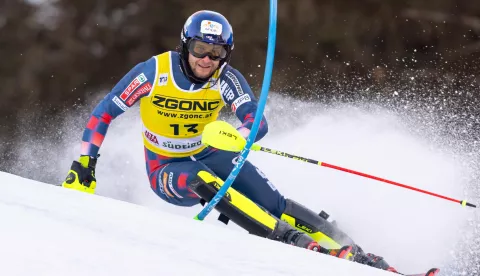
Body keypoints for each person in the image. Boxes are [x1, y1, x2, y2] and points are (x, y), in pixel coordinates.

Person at [62, 10, 397, 272]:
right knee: (201, 181)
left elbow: (255, 119)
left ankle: (361, 256)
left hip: (212, 152)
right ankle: (298, 244)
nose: (207, 59)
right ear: (185, 45)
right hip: (165, 168)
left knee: (275, 203)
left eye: (217, 51)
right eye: (200, 48)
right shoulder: (154, 72)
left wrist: (238, 137)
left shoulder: (226, 79)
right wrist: (85, 163)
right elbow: (104, 112)